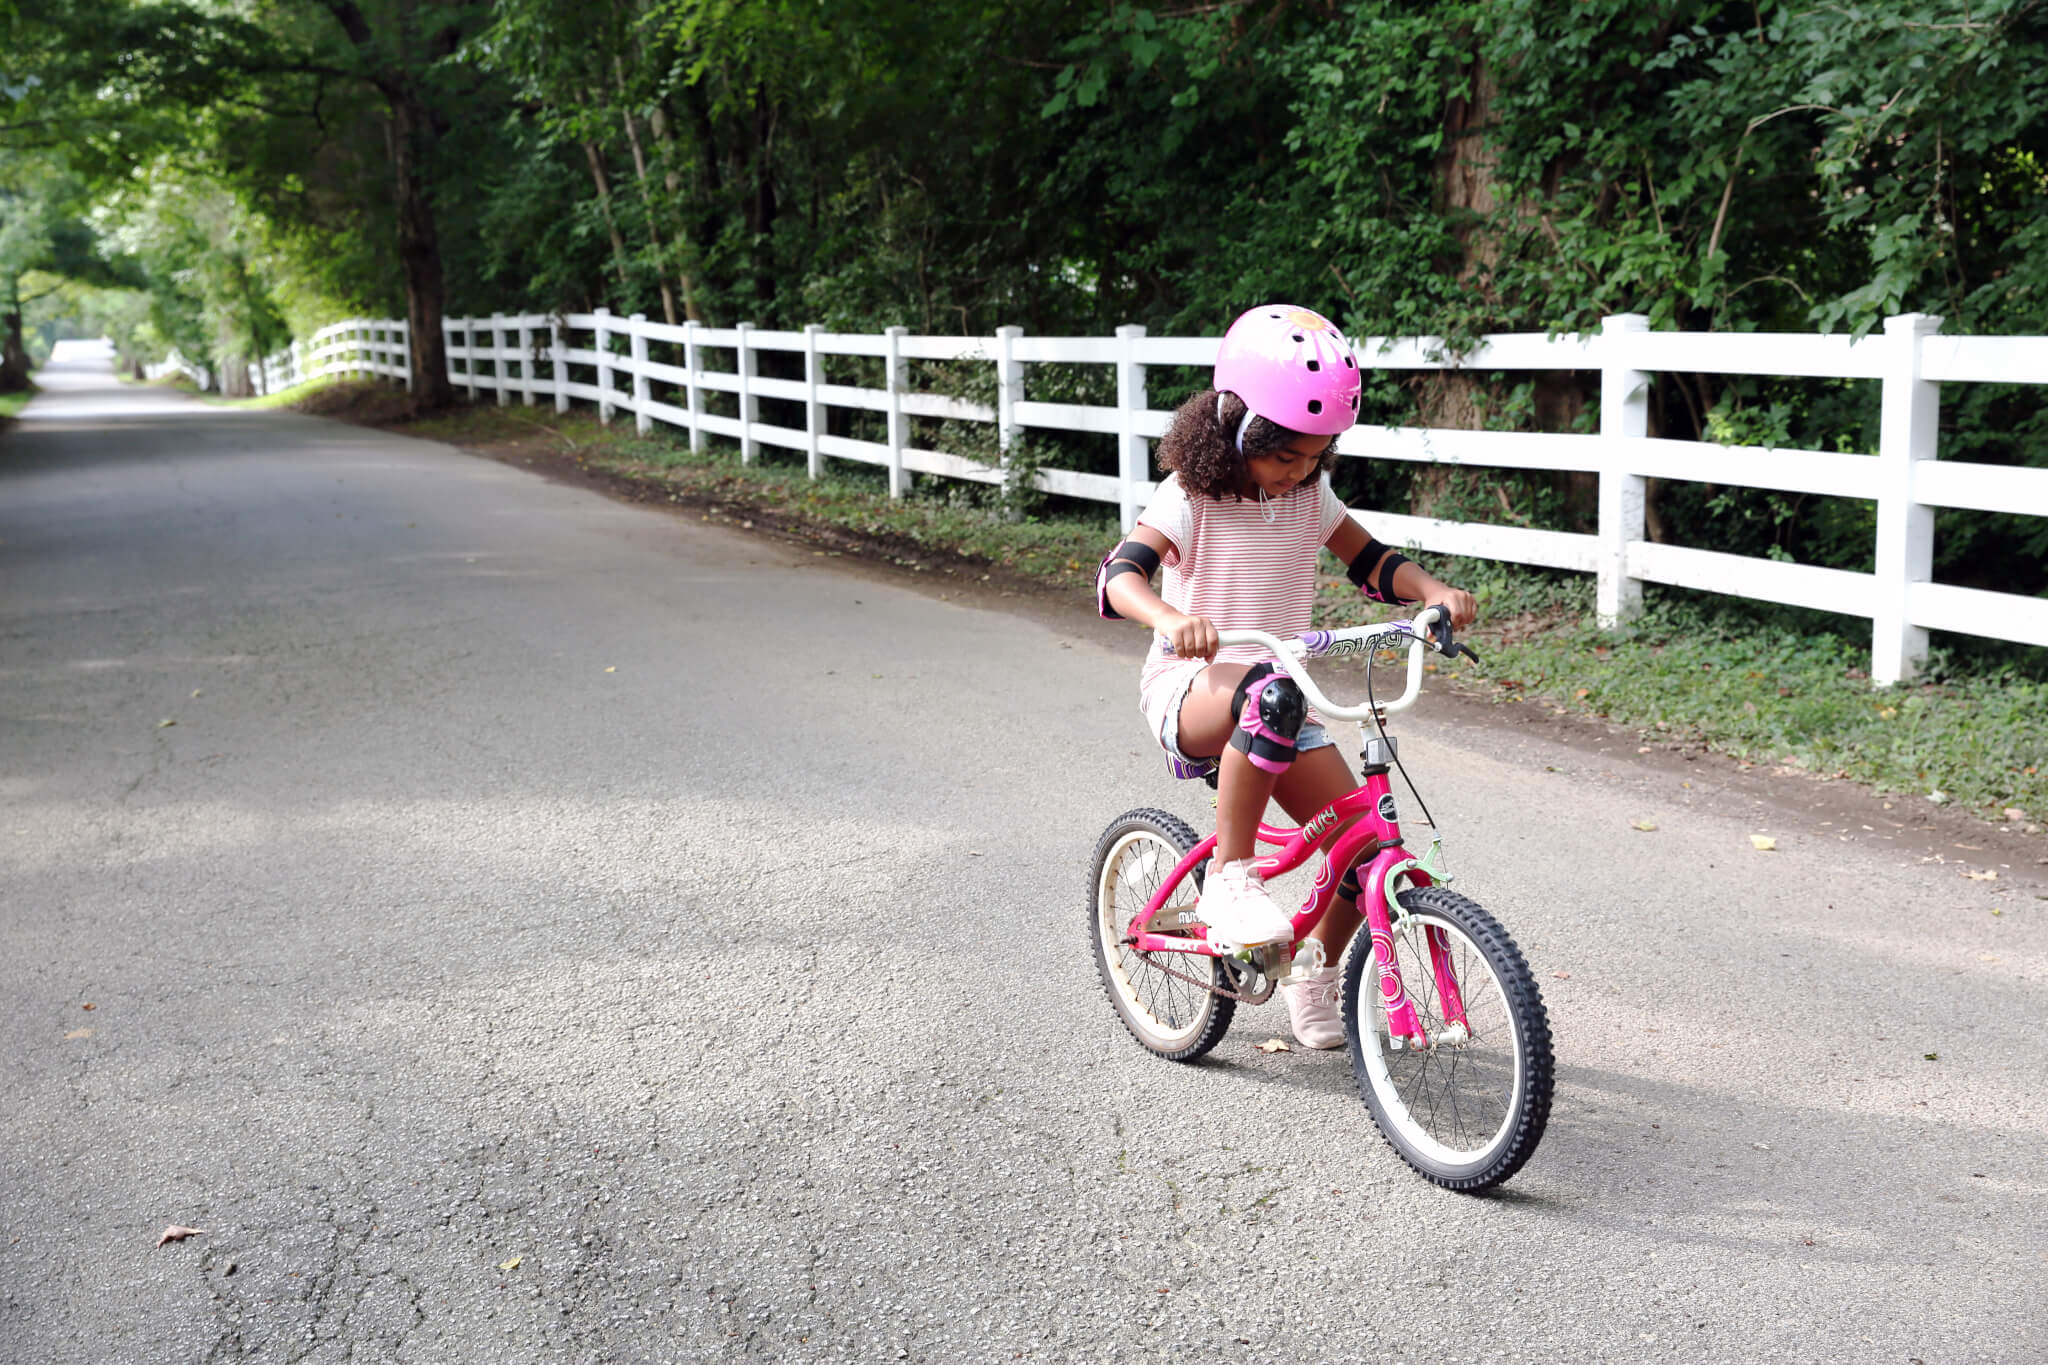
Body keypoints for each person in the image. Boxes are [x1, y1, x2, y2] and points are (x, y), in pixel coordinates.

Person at [1096, 304, 1476, 1049]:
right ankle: (1231, 882)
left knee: (1363, 845)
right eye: (1284, 457)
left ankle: (1314, 973)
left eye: (1314, 456)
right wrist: (1170, 620)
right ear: (1235, 431)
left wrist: (1432, 593)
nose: (1298, 471)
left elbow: (1371, 562)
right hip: (1191, 689)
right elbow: (1120, 576)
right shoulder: (1191, 496)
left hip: (1281, 699)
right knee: (1269, 690)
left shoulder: (1307, 497)